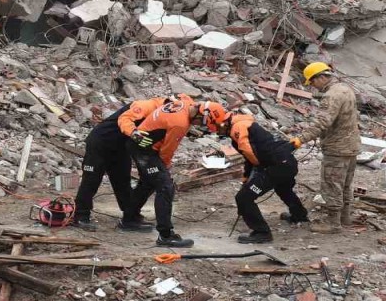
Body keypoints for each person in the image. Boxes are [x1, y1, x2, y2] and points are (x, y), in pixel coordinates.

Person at [70, 96, 188, 232]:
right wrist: (134, 134)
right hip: (101, 142)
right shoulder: (146, 106)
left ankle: (130, 217)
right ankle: (81, 216)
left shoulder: (165, 115)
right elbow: (125, 119)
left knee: (122, 182)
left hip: (120, 147)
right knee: (91, 180)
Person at [201, 102, 309, 244]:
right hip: (287, 163)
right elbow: (249, 158)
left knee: (243, 198)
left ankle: (261, 232)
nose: (216, 132)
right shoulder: (243, 124)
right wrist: (247, 176)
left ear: (222, 123)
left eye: (216, 128)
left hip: (277, 166)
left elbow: (249, 152)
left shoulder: (237, 129)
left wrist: (258, 170)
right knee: (283, 189)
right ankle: (299, 215)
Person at [118, 97, 200, 248]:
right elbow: (167, 150)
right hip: (143, 149)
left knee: (148, 183)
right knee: (165, 186)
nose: (199, 126)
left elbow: (184, 97)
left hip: (144, 148)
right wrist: (164, 166)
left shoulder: (185, 103)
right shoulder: (179, 123)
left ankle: (129, 218)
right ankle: (165, 235)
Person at [298, 62, 360, 234]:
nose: (312, 86)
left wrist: (300, 140)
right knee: (345, 184)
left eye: (312, 81)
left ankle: (333, 224)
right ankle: (345, 218)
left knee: (332, 185)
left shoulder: (331, 95)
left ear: (321, 77)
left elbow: (322, 122)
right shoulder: (345, 89)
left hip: (337, 148)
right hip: (351, 146)